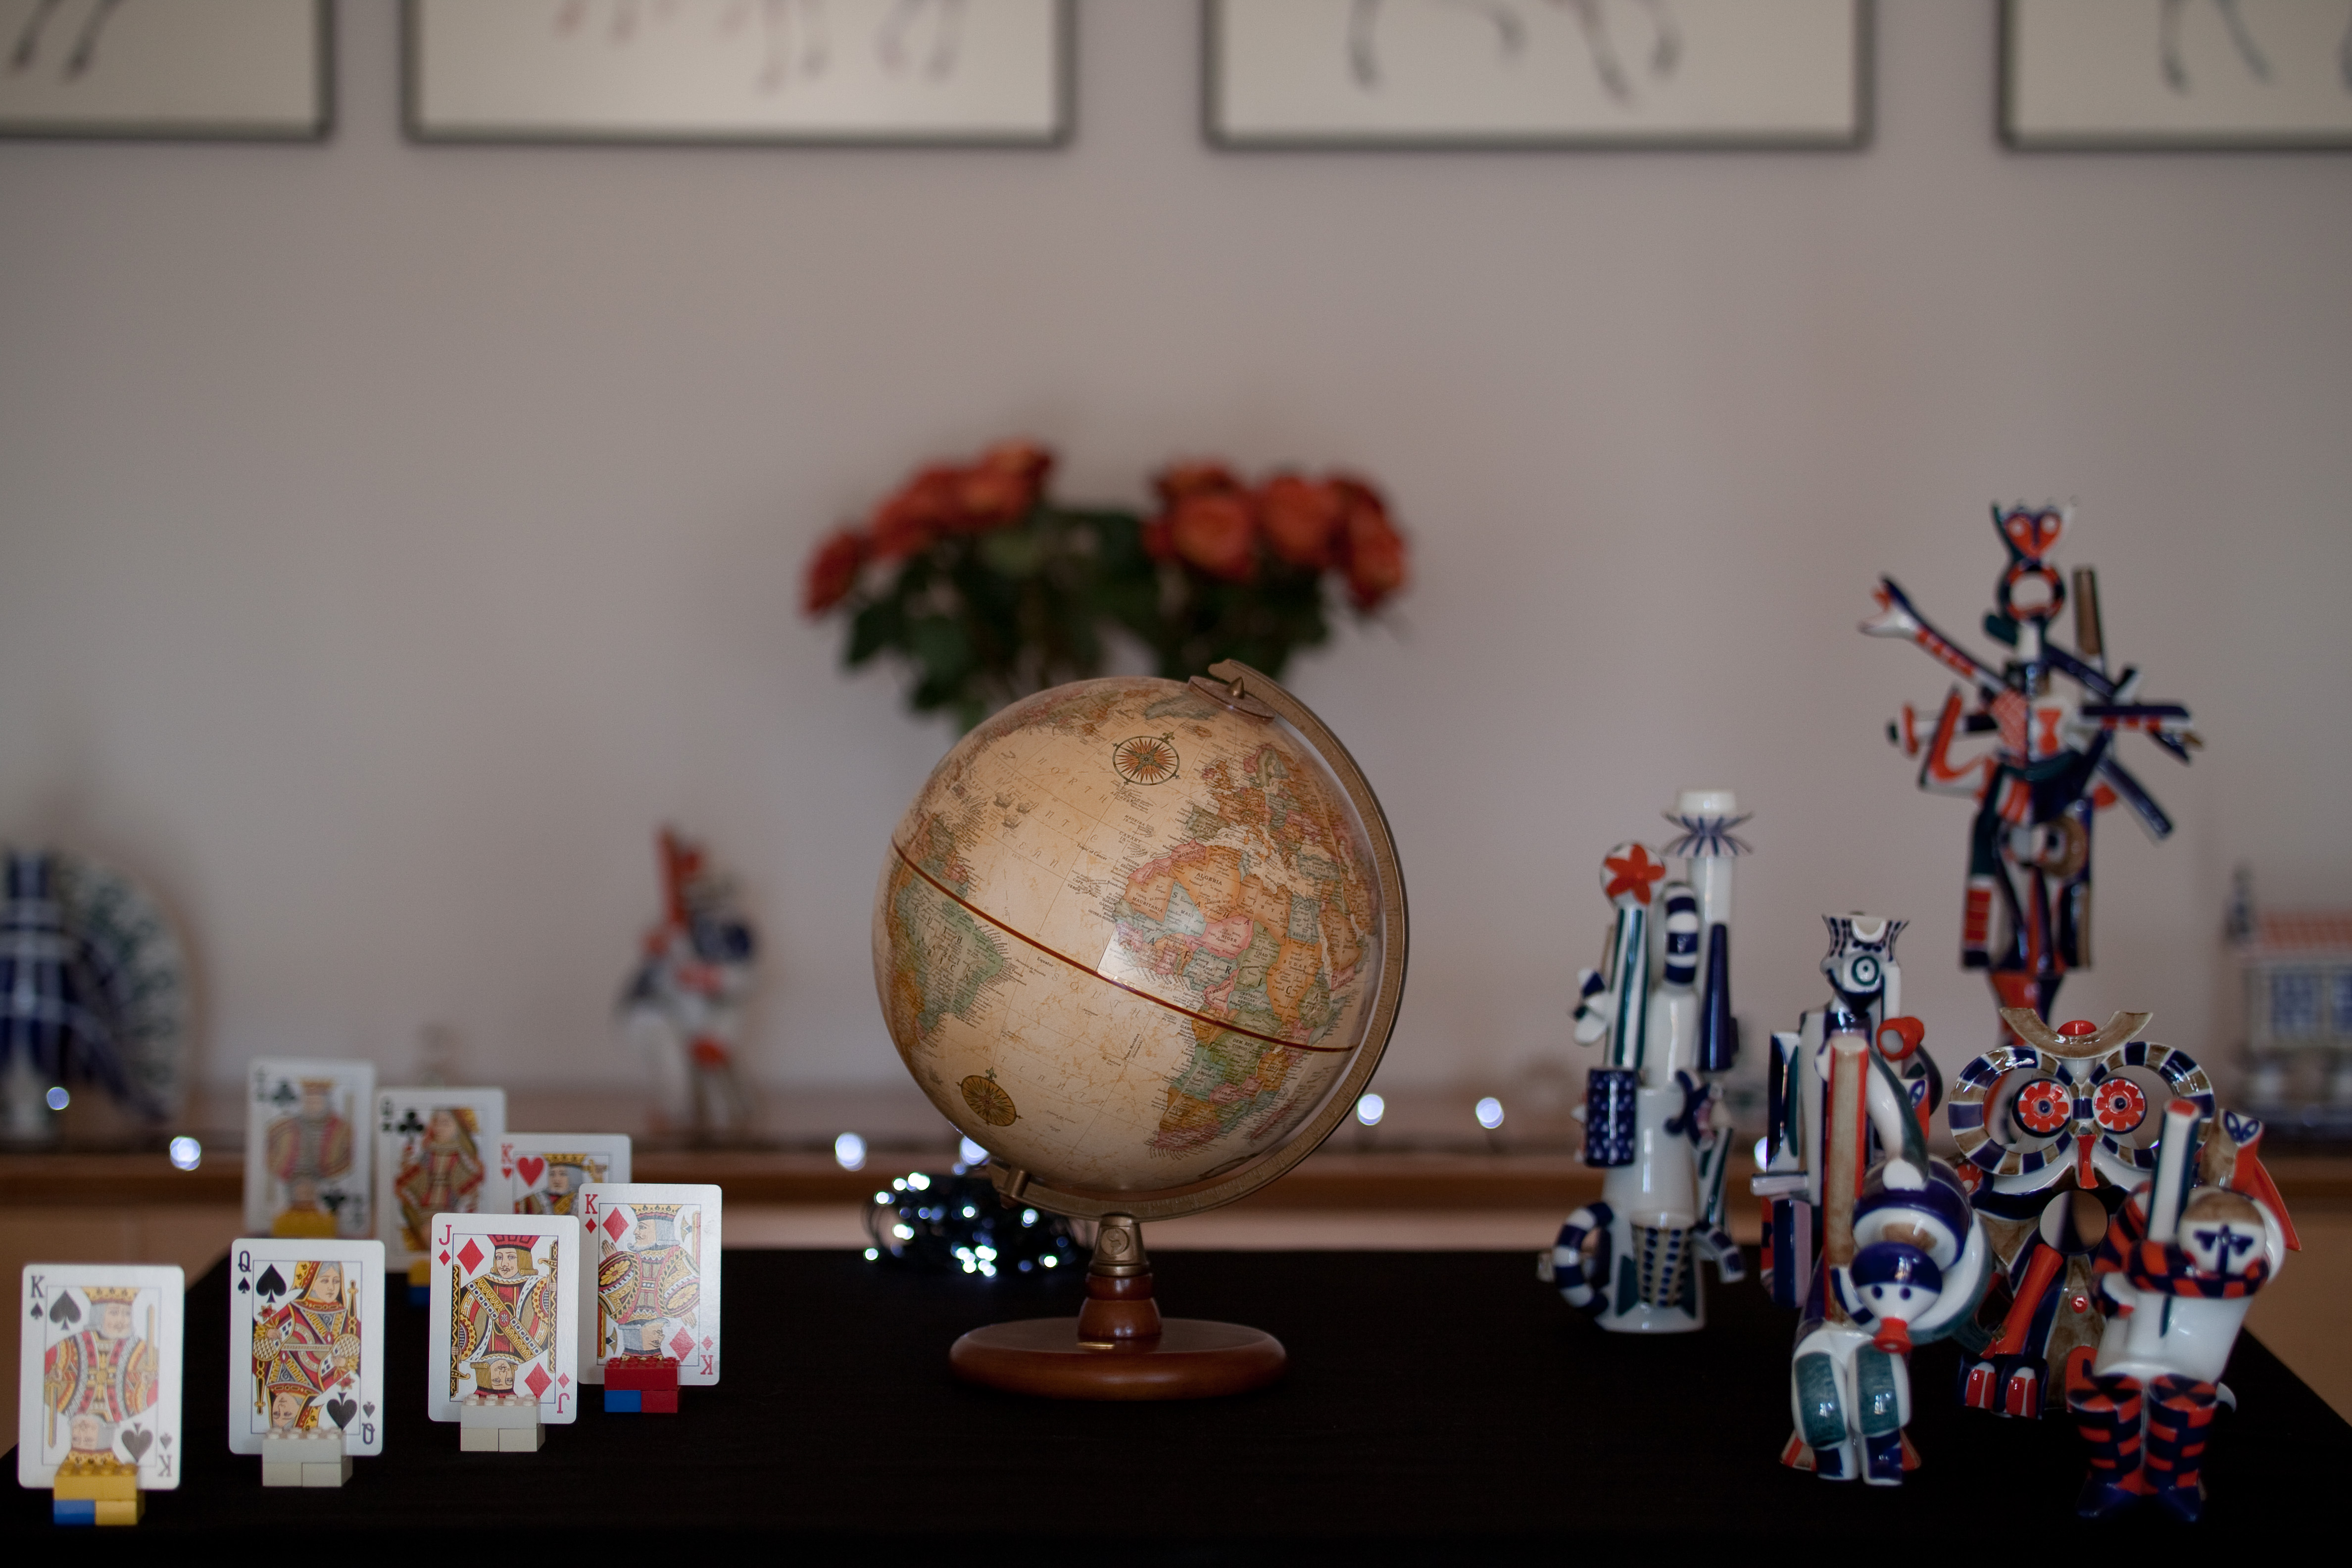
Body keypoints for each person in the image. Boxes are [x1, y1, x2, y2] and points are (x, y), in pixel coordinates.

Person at [44, 1285, 156, 1473]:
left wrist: (147, 1382)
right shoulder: (72, 1345)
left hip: (111, 1425)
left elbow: (156, 1386)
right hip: (78, 1416)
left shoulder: (140, 1350)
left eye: (126, 1314)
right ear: (98, 1315)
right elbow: (48, 1370)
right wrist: (54, 1376)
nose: (121, 1321)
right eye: (114, 1313)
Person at [252, 1260, 361, 1431]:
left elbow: (360, 1351)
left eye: (336, 1281)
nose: (331, 1287)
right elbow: (258, 1344)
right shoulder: (294, 1309)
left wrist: (267, 1335)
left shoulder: (345, 1317)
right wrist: (344, 1363)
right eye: (325, 1281)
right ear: (312, 1282)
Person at [454, 1235, 557, 1398]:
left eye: (511, 1257)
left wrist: (555, 1290)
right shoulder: (480, 1285)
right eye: (499, 1257)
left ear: (522, 1259)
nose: (504, 1264)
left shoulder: (537, 1286)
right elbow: (456, 1312)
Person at [597, 1204, 699, 1358]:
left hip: (656, 1320)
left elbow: (690, 1284)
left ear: (660, 1230)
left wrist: (683, 1307)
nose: (636, 1232)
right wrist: (615, 1263)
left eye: (642, 1228)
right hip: (631, 1321)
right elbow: (611, 1290)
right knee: (632, 1356)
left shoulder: (678, 1256)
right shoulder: (632, 1258)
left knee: (654, 1354)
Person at [266, 1080, 353, 1237]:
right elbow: (271, 1155)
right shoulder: (282, 1128)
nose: (313, 1105)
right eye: (310, 1101)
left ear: (328, 1103)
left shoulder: (343, 1131)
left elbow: (346, 1161)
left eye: (318, 1101)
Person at [394, 1107, 483, 1253]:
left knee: (445, 1239)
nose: (440, 1128)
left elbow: (472, 1179)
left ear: (457, 1127)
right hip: (425, 1208)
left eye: (445, 1123)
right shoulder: (427, 1153)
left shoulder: (461, 1155)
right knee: (428, 1236)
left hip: (449, 1209)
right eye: (436, 1123)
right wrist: (407, 1165)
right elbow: (411, 1178)